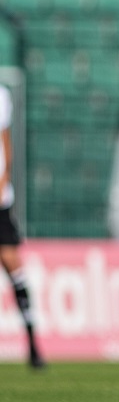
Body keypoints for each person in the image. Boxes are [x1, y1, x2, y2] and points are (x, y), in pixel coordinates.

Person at [0, 84, 43, 369]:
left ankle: (32, 345)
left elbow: (6, 144)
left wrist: (3, 181)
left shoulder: (1, 94)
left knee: (13, 262)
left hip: (0, 200)